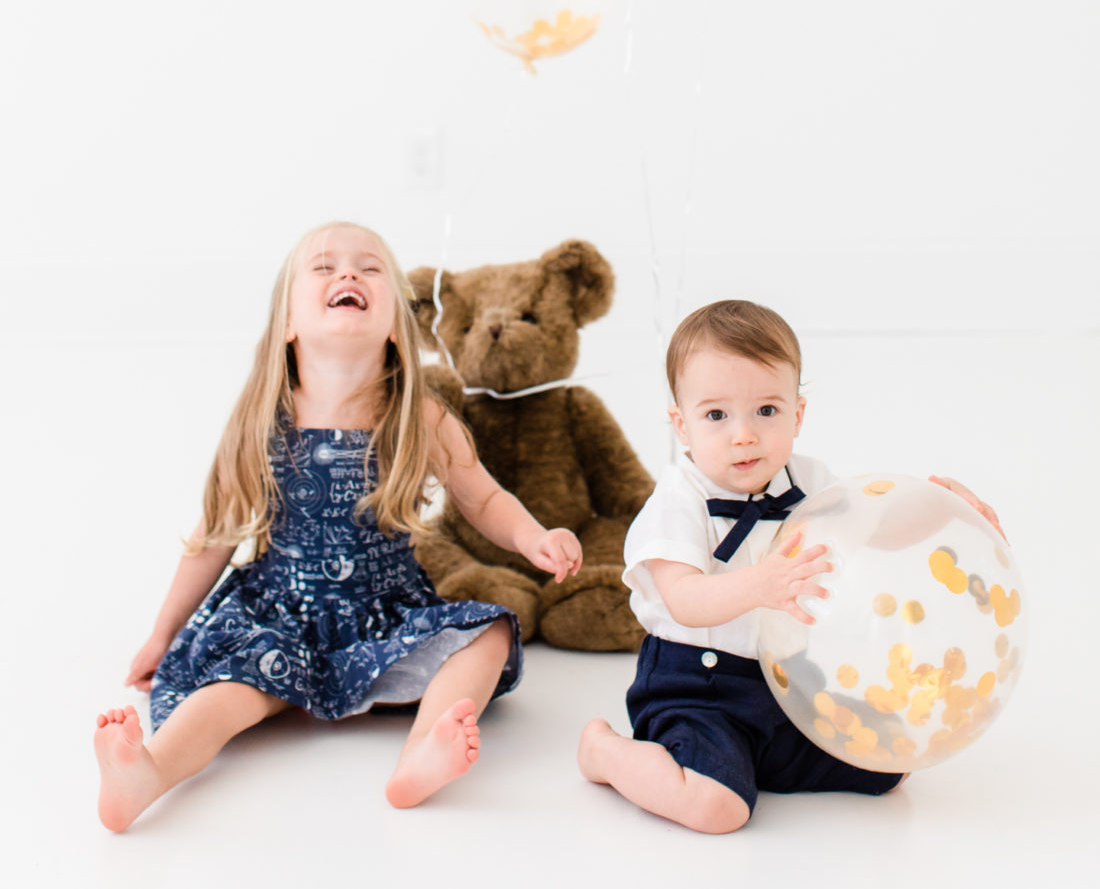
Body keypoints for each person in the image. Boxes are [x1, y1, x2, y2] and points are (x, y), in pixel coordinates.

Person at [94, 221, 583, 831]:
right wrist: (162, 633)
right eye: (324, 267)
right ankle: (148, 772)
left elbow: (483, 497)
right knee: (225, 698)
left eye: (370, 268)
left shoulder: (420, 417)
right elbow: (214, 536)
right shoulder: (260, 422)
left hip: (384, 617)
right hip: (278, 619)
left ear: (398, 330)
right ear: (289, 324)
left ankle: (424, 752)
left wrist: (534, 536)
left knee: (490, 635)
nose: (348, 273)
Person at [577, 298, 1004, 833]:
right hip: (697, 685)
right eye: (716, 415)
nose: (744, 434)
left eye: (766, 411)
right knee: (719, 809)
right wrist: (759, 584)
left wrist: (946, 513)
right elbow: (682, 600)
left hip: (790, 681)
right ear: (681, 425)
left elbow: (873, 533)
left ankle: (751, 758)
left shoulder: (810, 480)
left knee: (887, 765)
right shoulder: (677, 501)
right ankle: (606, 754)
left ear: (796, 415)